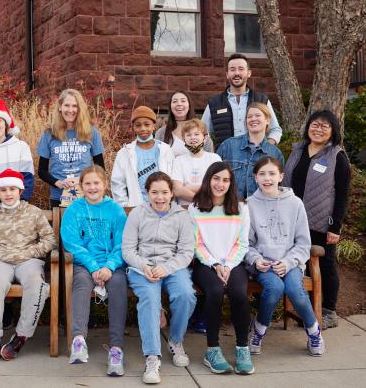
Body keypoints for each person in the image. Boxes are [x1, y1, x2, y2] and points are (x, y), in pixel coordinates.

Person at [246, 157, 326, 356]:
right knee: (274, 288)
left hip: (290, 263)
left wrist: (288, 262)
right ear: (255, 177)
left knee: (295, 290)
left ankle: (314, 332)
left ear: (281, 176)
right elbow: (245, 244)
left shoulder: (295, 203)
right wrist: (256, 260)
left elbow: (303, 243)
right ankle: (258, 329)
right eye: (262, 174)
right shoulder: (249, 205)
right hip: (264, 264)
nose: (267, 178)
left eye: (272, 173)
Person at [123, 172, 196, 384]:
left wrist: (166, 267)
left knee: (185, 295)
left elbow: (186, 252)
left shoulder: (182, 215)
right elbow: (127, 249)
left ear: (172, 193)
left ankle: (175, 340)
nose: (160, 197)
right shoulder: (138, 213)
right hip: (142, 268)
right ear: (147, 193)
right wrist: (143, 265)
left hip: (172, 267)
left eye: (164, 192)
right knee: (150, 299)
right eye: (154, 192)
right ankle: (152, 357)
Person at [0, 169, 56, 365]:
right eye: (3, 190)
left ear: (20, 190)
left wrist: (28, 253)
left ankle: (21, 336)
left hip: (28, 260)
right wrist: (0, 254)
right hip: (1, 261)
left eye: (12, 189)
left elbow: (49, 240)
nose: (8, 193)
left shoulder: (34, 213)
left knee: (36, 283)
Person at [282, 110, 350, 329]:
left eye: (324, 126)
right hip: (294, 220)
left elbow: (342, 193)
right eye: (315, 124)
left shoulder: (336, 156)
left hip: (322, 222)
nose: (318, 129)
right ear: (308, 126)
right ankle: (311, 310)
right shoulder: (298, 150)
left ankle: (328, 311)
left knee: (325, 266)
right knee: (304, 266)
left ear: (332, 131)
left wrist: (335, 226)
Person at [61, 165, 128, 377]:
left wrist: (108, 266)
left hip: (112, 264)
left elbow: (122, 243)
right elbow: (71, 243)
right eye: (87, 183)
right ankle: (78, 340)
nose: (92, 187)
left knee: (118, 284)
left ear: (105, 185)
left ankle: (116, 349)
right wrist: (92, 266)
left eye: (96, 183)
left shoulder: (115, 210)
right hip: (84, 264)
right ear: (81, 186)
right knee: (80, 282)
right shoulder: (74, 209)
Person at [189, 162, 254, 375]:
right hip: (206, 263)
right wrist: (215, 264)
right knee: (215, 291)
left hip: (233, 263)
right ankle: (212, 350)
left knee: (238, 293)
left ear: (231, 183)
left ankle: (242, 348)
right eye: (216, 178)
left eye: (226, 180)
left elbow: (242, 243)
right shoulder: (195, 208)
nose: (220, 184)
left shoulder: (241, 208)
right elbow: (197, 243)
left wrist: (227, 265)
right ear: (208, 180)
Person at [37, 88, 105, 207]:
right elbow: (42, 170)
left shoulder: (91, 132)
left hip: (87, 195)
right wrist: (57, 182)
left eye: (75, 106)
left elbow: (100, 168)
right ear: (60, 107)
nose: (70, 110)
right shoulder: (49, 134)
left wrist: (81, 180)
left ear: (80, 109)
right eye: (66, 105)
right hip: (59, 197)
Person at [201, 53, 282, 146]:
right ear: (227, 74)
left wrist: (266, 148)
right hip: (225, 159)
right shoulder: (214, 103)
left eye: (241, 69)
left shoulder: (261, 100)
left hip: (255, 158)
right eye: (232, 69)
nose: (237, 73)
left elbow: (275, 129)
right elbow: (202, 132)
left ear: (249, 73)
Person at [216, 102, 284, 199]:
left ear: (267, 120)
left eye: (257, 115)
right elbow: (213, 176)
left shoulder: (275, 154)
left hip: (261, 209)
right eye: (249, 116)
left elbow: (279, 187)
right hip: (230, 208)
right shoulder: (228, 146)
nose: (253, 119)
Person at [111, 106, 175, 207]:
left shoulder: (165, 150)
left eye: (147, 124)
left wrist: (170, 203)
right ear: (133, 127)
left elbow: (173, 178)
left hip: (163, 206)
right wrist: (125, 206)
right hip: (136, 207)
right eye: (138, 125)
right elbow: (117, 183)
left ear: (154, 126)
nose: (143, 128)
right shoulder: (125, 153)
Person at [171, 119, 221, 207]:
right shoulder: (178, 160)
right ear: (184, 139)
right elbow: (177, 190)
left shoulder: (214, 158)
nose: (192, 137)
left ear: (204, 138)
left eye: (197, 134)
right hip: (185, 210)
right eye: (188, 135)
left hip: (210, 209)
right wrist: (201, 201)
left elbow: (217, 187)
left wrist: (187, 187)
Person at [155, 91, 213, 157]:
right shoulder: (161, 133)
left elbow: (210, 155)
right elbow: (157, 158)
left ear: (189, 106)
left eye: (183, 101)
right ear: (170, 107)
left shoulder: (201, 129)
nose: (179, 104)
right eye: (175, 101)